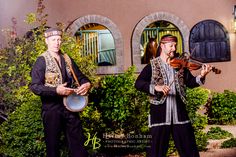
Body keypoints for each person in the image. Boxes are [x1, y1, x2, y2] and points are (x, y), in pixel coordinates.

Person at [135, 34, 212, 157]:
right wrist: (156, 87)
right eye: (171, 46)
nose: (174, 49)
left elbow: (191, 83)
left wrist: (202, 75)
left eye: (175, 46)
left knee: (189, 149)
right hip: (159, 114)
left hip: (179, 113)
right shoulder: (152, 65)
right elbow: (138, 83)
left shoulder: (180, 65)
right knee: (155, 152)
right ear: (162, 46)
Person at [29, 28, 91, 157]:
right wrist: (55, 90)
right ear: (46, 41)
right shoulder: (41, 60)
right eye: (53, 40)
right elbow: (35, 87)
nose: (57, 43)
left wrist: (86, 84)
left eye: (58, 40)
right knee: (53, 147)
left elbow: (81, 77)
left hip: (71, 108)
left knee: (78, 144)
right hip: (51, 110)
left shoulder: (67, 58)